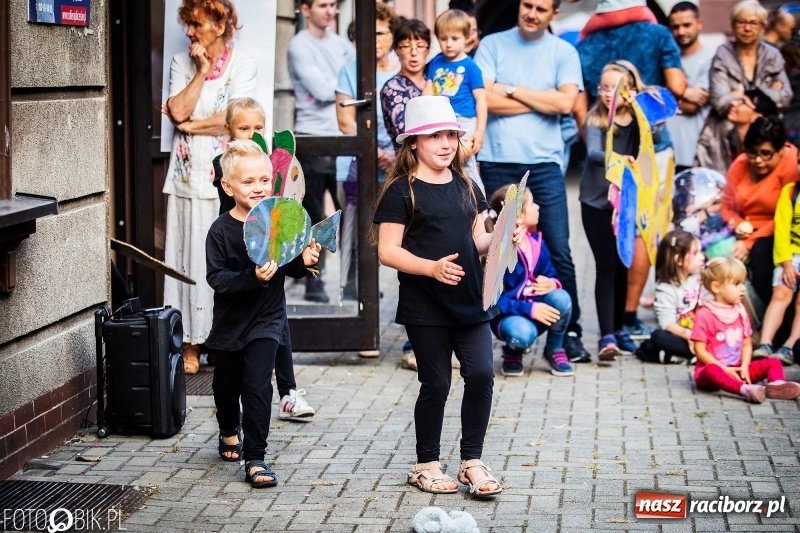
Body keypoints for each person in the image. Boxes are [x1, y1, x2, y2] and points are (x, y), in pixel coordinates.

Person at [372, 96, 511, 496]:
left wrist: (502, 238)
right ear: (413, 142)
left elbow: (477, 242)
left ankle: (471, 461)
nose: (447, 143)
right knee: (435, 384)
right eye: (435, 136)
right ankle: (426, 464)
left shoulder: (469, 184)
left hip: (471, 301)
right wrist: (430, 267)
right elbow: (387, 251)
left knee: (482, 374)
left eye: (451, 134)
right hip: (425, 307)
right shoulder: (400, 191)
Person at [474, 0, 591, 364]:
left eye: (541, 8)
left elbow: (565, 104)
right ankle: (487, 327)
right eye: (527, 5)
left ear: (554, 14)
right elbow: (484, 100)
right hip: (497, 159)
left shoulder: (564, 51)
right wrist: (543, 98)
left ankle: (569, 334)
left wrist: (508, 89)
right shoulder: (492, 44)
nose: (532, 13)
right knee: (492, 248)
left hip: (544, 163)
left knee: (559, 249)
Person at [206, 140, 322, 487]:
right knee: (226, 389)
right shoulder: (220, 230)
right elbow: (217, 279)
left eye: (264, 180)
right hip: (229, 325)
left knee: (257, 387)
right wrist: (251, 277)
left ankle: (256, 457)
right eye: (248, 182)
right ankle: (229, 431)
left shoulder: (277, 220)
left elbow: (290, 266)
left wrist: (304, 262)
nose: (258, 188)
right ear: (228, 186)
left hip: (267, 321)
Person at [162, 0, 256, 375]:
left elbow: (233, 120)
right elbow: (177, 111)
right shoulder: (181, 64)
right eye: (187, 25)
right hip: (186, 178)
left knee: (220, 258)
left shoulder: (242, 63)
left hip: (224, 178)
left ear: (219, 26)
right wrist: (200, 72)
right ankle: (188, 341)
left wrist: (189, 127)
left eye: (196, 24)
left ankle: (221, 338)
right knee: (184, 255)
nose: (189, 32)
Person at [209, 98, 316, 424]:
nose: (252, 133)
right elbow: (241, 207)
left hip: (272, 255)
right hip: (243, 252)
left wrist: (302, 256)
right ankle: (233, 420)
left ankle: (287, 391)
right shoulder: (224, 163)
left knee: (274, 324)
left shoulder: (269, 164)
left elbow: (285, 209)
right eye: (244, 128)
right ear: (228, 130)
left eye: (258, 127)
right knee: (230, 376)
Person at [288, 0, 355, 304]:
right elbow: (324, 89)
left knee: (351, 210)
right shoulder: (299, 45)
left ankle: (354, 280)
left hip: (346, 138)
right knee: (315, 217)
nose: (330, 11)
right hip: (313, 140)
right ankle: (313, 280)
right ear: (305, 10)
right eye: (322, 5)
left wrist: (342, 90)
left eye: (333, 5)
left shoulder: (342, 44)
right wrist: (345, 90)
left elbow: (358, 84)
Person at [579, 61, 644, 360]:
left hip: (627, 203)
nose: (607, 94)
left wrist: (641, 112)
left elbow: (654, 142)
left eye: (614, 87)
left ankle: (619, 329)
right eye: (603, 87)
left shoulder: (638, 120)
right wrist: (620, 159)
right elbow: (593, 154)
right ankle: (607, 336)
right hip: (595, 203)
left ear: (629, 89)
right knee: (606, 266)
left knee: (623, 265)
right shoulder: (596, 120)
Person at [380, 18, 431, 371]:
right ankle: (415, 343)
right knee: (415, 255)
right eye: (406, 45)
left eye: (420, 45)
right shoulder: (393, 88)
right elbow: (407, 128)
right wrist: (431, 97)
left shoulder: (443, 75)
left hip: (448, 174)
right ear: (396, 49)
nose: (413, 52)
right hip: (412, 177)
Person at [695, 0, 792, 174]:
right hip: (723, 140)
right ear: (733, 25)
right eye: (742, 22)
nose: (747, 28)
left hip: (763, 136)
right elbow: (720, 101)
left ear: (763, 28)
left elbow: (785, 96)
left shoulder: (772, 55)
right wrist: (763, 97)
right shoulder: (723, 53)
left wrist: (741, 94)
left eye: (753, 23)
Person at [488, 186, 574, 377]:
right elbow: (492, 301)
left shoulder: (537, 242)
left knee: (562, 298)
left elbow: (551, 272)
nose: (538, 207)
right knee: (522, 333)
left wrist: (552, 283)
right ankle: (514, 350)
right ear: (518, 215)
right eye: (532, 203)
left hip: (534, 309)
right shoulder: (501, 252)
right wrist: (531, 310)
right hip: (508, 317)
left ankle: (554, 348)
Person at [691, 257, 800, 403]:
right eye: (736, 284)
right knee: (712, 369)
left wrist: (744, 366)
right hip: (713, 372)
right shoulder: (705, 314)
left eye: (743, 283)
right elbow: (700, 351)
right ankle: (745, 390)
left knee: (773, 362)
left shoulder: (740, 311)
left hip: (737, 369)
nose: (743, 288)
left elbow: (746, 344)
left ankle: (776, 386)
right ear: (717, 287)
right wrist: (724, 368)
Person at [720, 117, 798, 307]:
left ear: (780, 151)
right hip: (742, 228)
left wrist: (748, 243)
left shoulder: (791, 164)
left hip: (779, 230)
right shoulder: (740, 164)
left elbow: (784, 216)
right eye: (752, 153)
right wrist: (737, 223)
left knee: (762, 255)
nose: (758, 160)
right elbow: (726, 205)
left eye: (765, 154)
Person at [336, 1, 400, 181]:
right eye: (369, 34)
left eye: (380, 33)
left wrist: (397, 154)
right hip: (357, 166)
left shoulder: (405, 70)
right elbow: (345, 122)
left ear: (393, 35)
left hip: (399, 165)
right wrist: (377, 153)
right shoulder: (349, 70)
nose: (375, 39)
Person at [425, 9, 487, 192]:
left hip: (463, 121)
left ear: (467, 38)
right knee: (443, 162)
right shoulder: (436, 62)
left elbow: (481, 100)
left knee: (465, 164)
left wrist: (480, 131)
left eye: (454, 38)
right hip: (439, 119)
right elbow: (429, 88)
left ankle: (477, 199)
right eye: (443, 39)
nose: (448, 44)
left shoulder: (471, 66)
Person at [750, 175, 800, 365]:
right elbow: (781, 230)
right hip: (789, 255)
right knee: (780, 294)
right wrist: (785, 262)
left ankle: (790, 345)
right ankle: (765, 343)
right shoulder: (790, 192)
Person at [636, 230, 704, 364]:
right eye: (695, 253)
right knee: (658, 337)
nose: (702, 257)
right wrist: (690, 335)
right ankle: (694, 355)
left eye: (701, 252)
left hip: (706, 333)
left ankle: (677, 357)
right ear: (678, 260)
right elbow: (667, 324)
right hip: (685, 336)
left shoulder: (701, 278)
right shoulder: (666, 289)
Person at [666, 2, 716, 174]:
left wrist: (664, 98)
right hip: (665, 154)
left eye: (686, 25)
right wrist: (686, 93)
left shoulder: (712, 59)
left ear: (699, 23)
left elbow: (694, 105)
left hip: (694, 154)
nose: (681, 32)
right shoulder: (666, 59)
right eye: (675, 27)